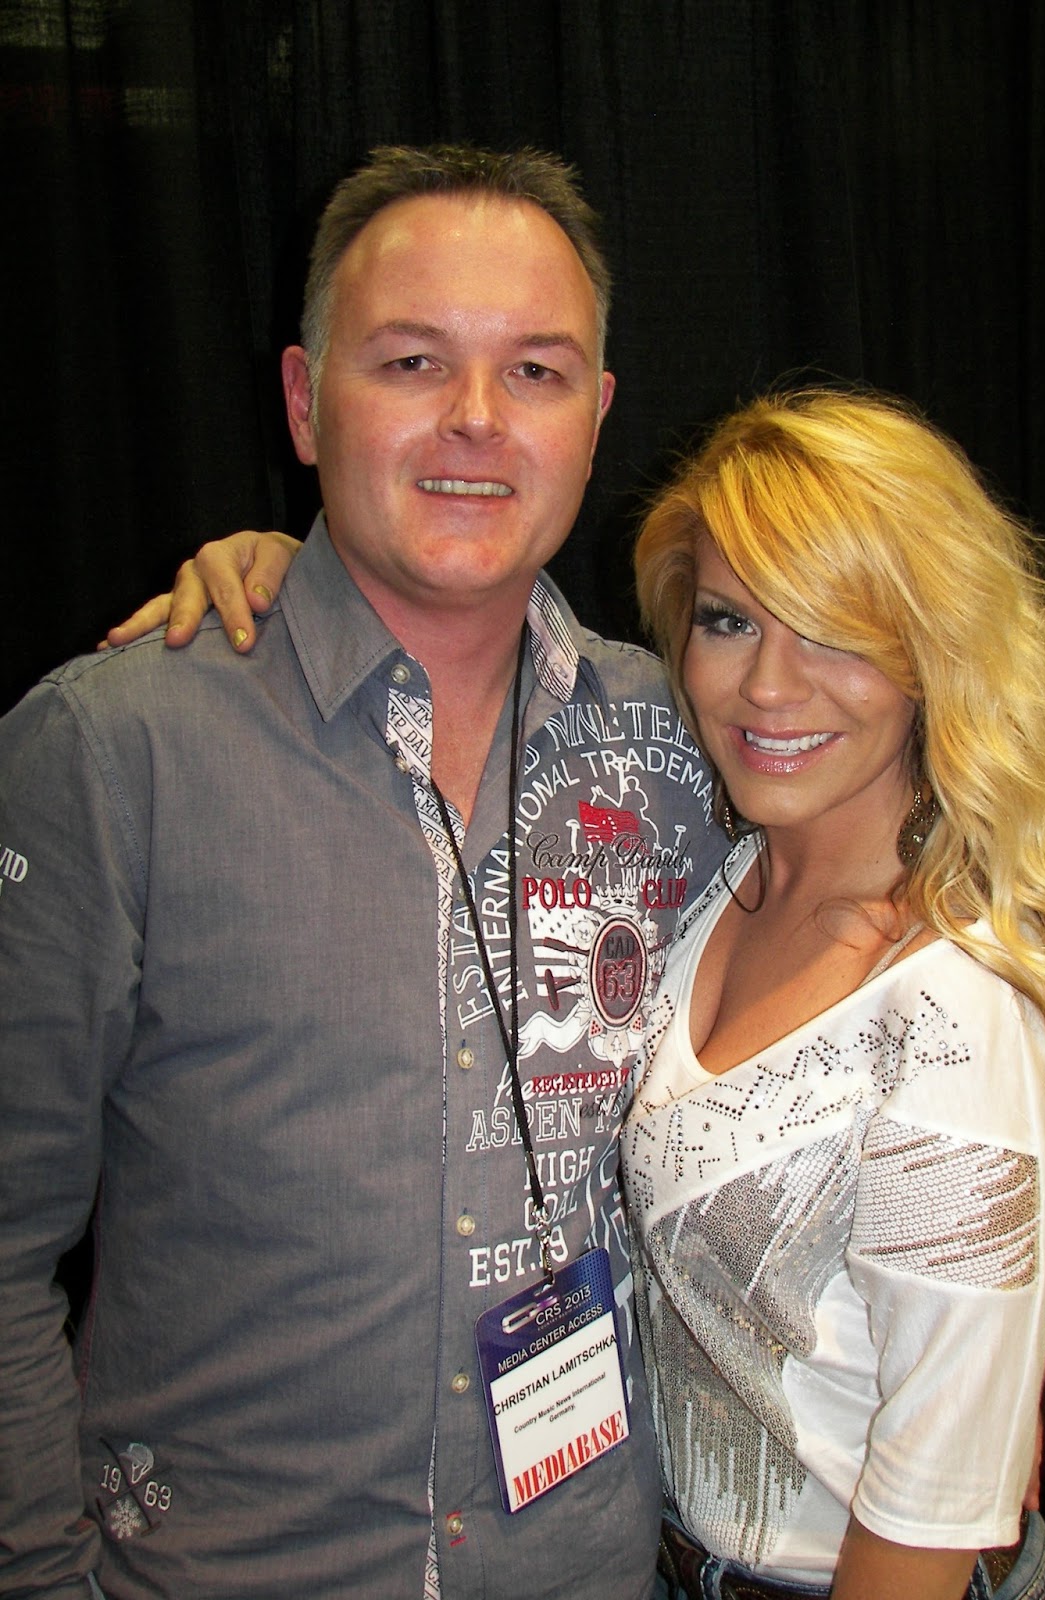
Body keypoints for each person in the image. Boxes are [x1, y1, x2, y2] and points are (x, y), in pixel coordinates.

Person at [0, 144, 726, 1599]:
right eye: (411, 361)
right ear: (303, 399)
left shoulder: (687, 742)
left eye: (535, 371)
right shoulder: (117, 749)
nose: (477, 419)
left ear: (596, 416)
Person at [624, 389, 1045, 1598]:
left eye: (834, 632)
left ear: (932, 656)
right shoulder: (717, 880)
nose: (769, 687)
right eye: (729, 620)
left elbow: (927, 1523)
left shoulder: (957, 1013)